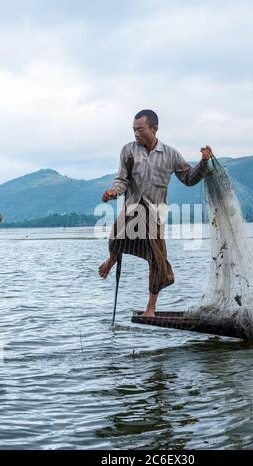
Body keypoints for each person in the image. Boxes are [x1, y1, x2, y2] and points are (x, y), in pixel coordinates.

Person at [99, 109, 213, 316]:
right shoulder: (128, 150)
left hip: (155, 213)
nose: (136, 133)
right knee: (115, 237)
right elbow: (122, 180)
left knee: (157, 260)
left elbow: (189, 178)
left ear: (154, 128)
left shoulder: (170, 154)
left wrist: (204, 163)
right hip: (133, 206)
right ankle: (112, 258)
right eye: (133, 129)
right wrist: (113, 192)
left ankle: (150, 309)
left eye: (140, 129)